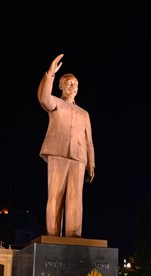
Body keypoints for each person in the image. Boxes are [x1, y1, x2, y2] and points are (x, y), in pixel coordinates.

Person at [38, 53, 95, 238]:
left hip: (79, 156)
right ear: (61, 86)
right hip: (58, 152)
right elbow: (44, 97)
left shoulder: (84, 113)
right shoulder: (56, 104)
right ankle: (52, 234)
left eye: (76, 85)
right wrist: (50, 74)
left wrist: (91, 163)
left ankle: (74, 235)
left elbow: (89, 141)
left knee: (75, 198)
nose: (73, 87)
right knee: (56, 194)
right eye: (70, 83)